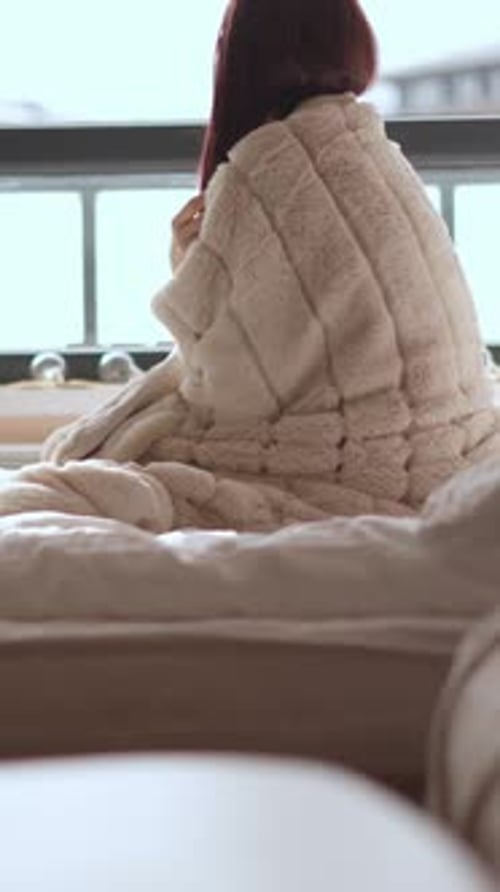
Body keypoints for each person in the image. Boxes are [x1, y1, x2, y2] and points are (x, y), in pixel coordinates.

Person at [1, 0, 499, 531]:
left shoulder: (269, 168)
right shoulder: (368, 148)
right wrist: (198, 260)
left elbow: (228, 376)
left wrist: (190, 267)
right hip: (445, 445)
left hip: (364, 460)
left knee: (114, 465)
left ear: (242, 59)